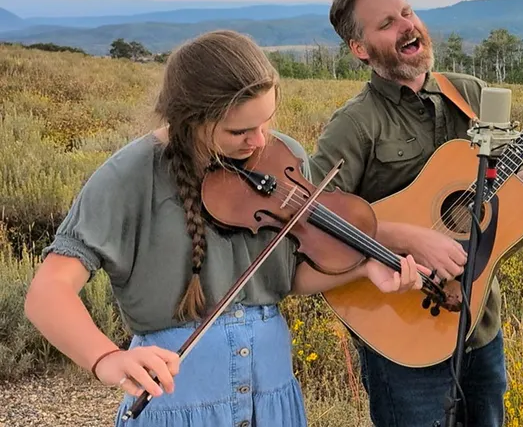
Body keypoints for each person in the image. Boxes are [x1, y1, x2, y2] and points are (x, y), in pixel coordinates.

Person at [23, 29, 427, 427]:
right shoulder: (129, 176)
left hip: (272, 397)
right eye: (239, 131)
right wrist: (106, 358)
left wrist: (362, 268)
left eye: (266, 122)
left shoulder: (281, 159)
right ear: (190, 118)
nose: (259, 141)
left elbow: (285, 278)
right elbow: (48, 292)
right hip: (183, 404)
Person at [309, 0, 523, 427]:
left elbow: (498, 193)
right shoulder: (354, 125)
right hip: (402, 334)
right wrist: (409, 237)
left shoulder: (466, 94)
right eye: (386, 23)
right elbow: (312, 217)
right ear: (359, 48)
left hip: (478, 324)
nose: (407, 25)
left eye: (407, 13)